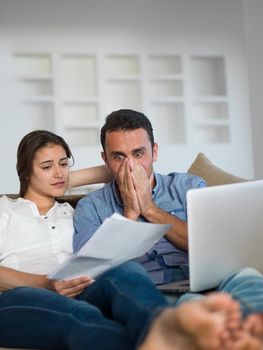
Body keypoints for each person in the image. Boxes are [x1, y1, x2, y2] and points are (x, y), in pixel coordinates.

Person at [2, 129, 259, 350]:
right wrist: (46, 284)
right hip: (23, 294)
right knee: (83, 317)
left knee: (127, 271)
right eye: (47, 167)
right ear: (25, 171)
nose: (58, 173)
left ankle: (162, 325)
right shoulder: (5, 210)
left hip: (79, 289)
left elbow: (122, 169)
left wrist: (58, 176)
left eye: (64, 164)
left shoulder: (73, 211)